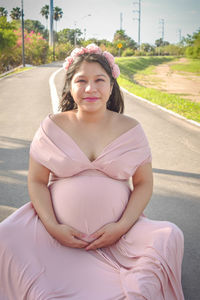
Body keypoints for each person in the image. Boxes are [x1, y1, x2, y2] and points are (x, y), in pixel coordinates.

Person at [0, 44, 184, 300]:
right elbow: (37, 180)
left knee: (170, 236)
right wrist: (54, 228)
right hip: (54, 237)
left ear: (111, 86)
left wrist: (121, 227)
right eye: (81, 81)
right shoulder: (52, 126)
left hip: (122, 237)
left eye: (99, 80)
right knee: (5, 237)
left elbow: (143, 183)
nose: (90, 88)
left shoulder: (131, 128)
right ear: (70, 85)